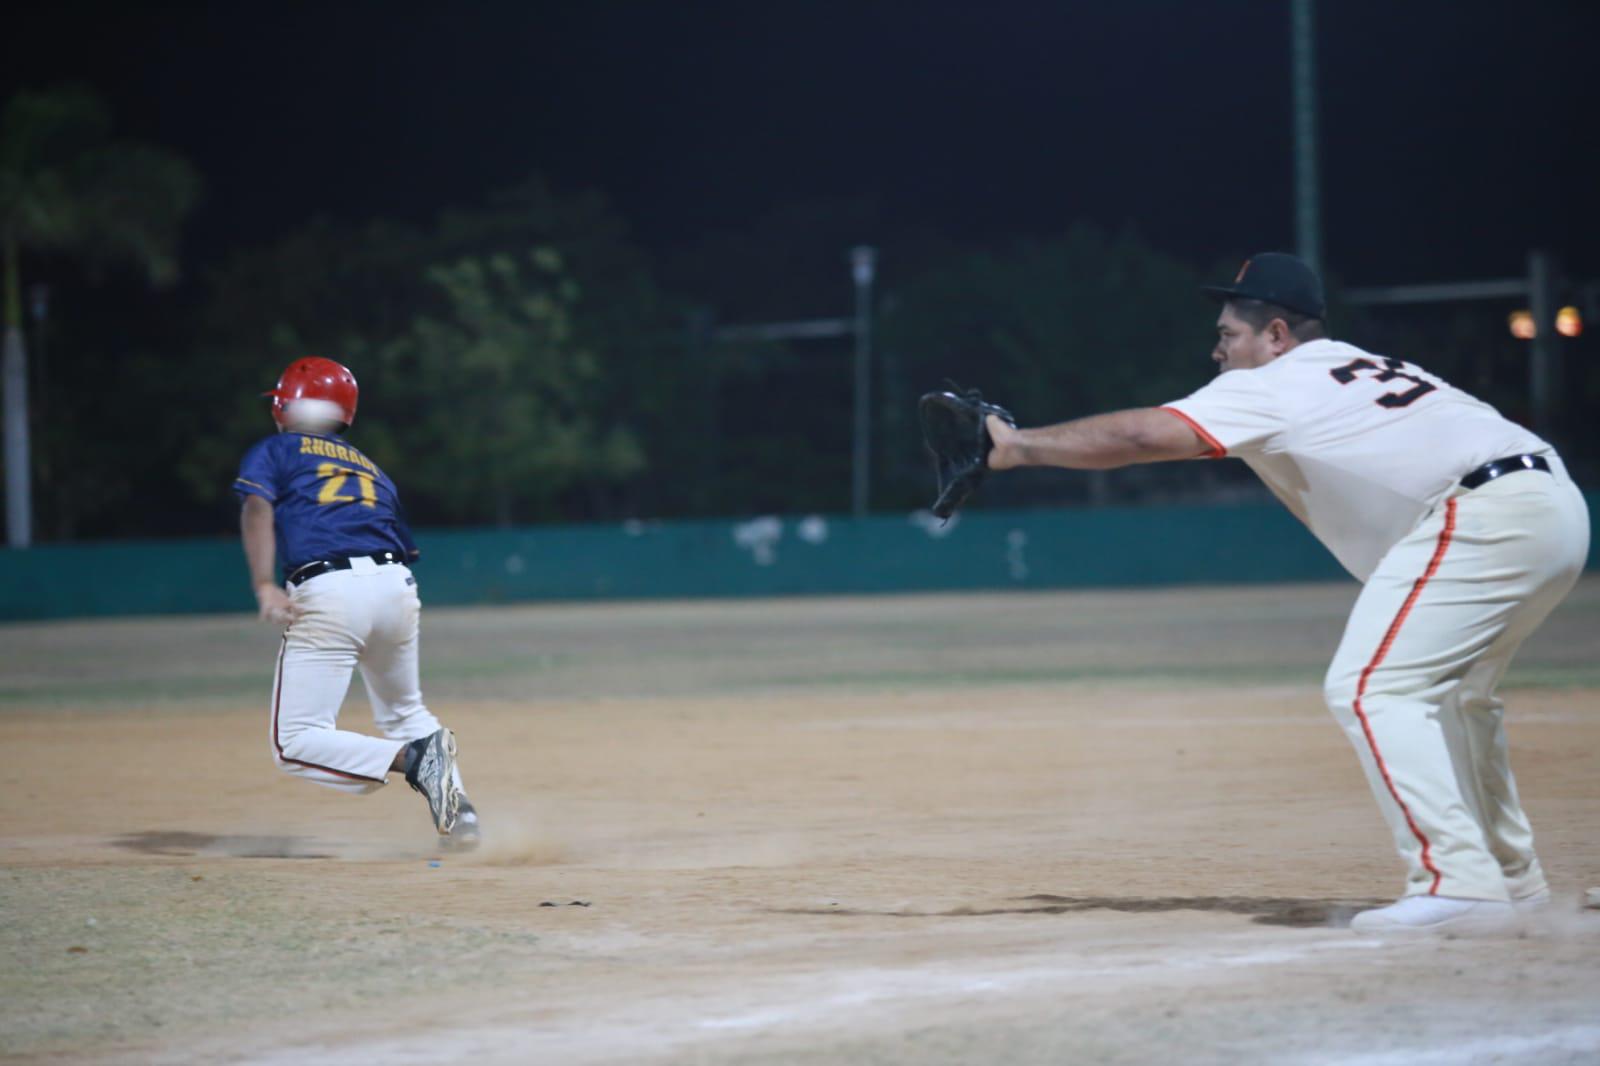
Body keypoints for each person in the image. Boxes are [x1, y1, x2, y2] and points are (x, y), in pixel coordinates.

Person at [982, 253, 1589, 934]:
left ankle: (1459, 883)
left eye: (1228, 335)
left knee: (1371, 687)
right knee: (1457, 699)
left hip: (1482, 513)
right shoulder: (1360, 366)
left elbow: (1138, 435)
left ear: (1275, 334)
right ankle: (1514, 884)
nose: (1217, 350)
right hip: (1551, 505)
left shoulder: (1277, 379)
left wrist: (1017, 446)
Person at [234, 356, 481, 848]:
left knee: (296, 740)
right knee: (406, 712)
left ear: (285, 407)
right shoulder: (371, 467)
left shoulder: (278, 450)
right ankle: (462, 815)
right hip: (396, 585)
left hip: (330, 589)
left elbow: (257, 505)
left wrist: (264, 583)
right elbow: (400, 544)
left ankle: (410, 761)